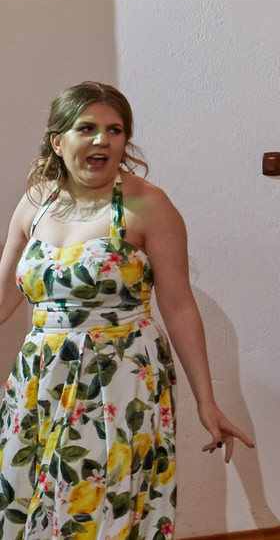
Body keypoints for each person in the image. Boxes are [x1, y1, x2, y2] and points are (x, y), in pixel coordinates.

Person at [0, 81, 253, 539]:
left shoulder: (147, 204)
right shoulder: (36, 202)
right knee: (27, 496)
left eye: (114, 130)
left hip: (117, 380)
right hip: (40, 379)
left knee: (97, 504)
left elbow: (179, 306)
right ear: (58, 142)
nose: (102, 139)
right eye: (87, 128)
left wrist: (206, 401)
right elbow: (2, 298)